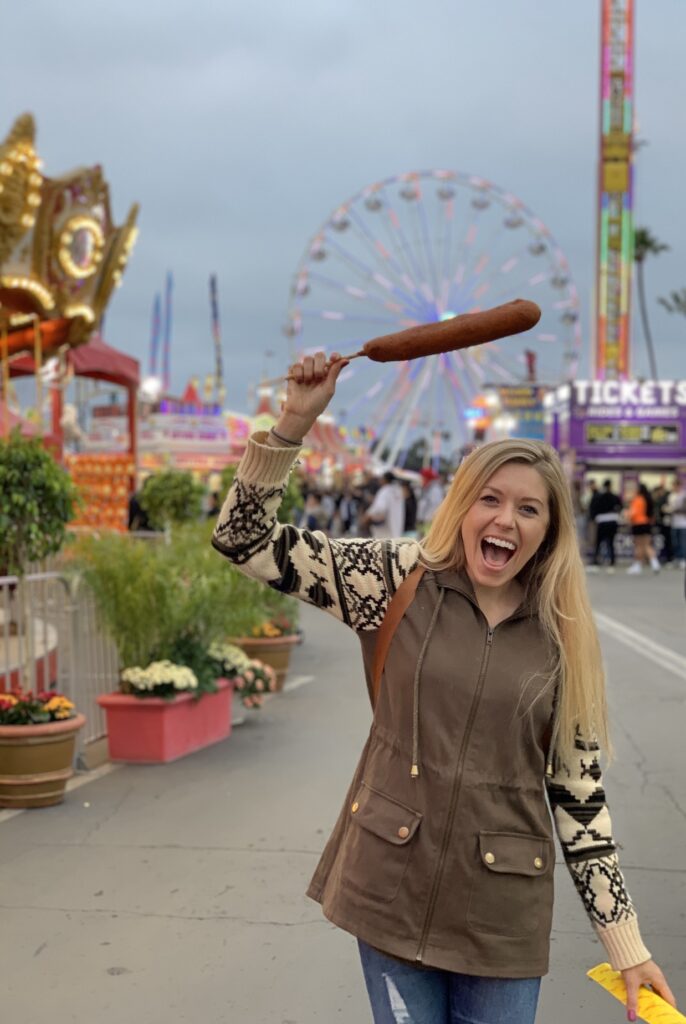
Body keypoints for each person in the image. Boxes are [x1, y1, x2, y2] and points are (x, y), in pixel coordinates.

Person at [211, 351, 676, 1024]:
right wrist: (293, 423)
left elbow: (580, 803)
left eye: (527, 509)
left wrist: (626, 947)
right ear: (462, 505)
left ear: (548, 533)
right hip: (389, 890)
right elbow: (242, 540)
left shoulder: (562, 636)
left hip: (502, 921)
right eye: (489, 499)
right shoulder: (394, 579)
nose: (504, 521)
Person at [626, 482, 660, 575]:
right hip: (646, 524)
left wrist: (627, 516)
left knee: (639, 546)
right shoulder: (647, 499)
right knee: (647, 545)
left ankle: (637, 565)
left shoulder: (637, 500)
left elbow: (633, 513)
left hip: (638, 524)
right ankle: (654, 563)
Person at [361, 470, 405, 539]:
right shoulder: (398, 491)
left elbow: (380, 508)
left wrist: (368, 515)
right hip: (396, 528)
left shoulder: (385, 491)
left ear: (385, 480)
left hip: (384, 530)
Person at [592, 479, 623, 572]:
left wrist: (594, 518)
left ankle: (596, 562)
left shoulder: (599, 496)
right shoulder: (615, 496)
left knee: (599, 542)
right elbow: (620, 507)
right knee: (611, 543)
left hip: (602, 521)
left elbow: (594, 508)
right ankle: (612, 562)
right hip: (613, 520)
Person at [666, 480, 686, 570]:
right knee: (675, 543)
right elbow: (669, 507)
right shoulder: (671, 496)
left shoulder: (683, 495)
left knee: (682, 542)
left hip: (683, 523)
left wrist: (675, 510)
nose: (673, 488)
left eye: (675, 486)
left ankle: (683, 560)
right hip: (674, 523)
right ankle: (677, 558)